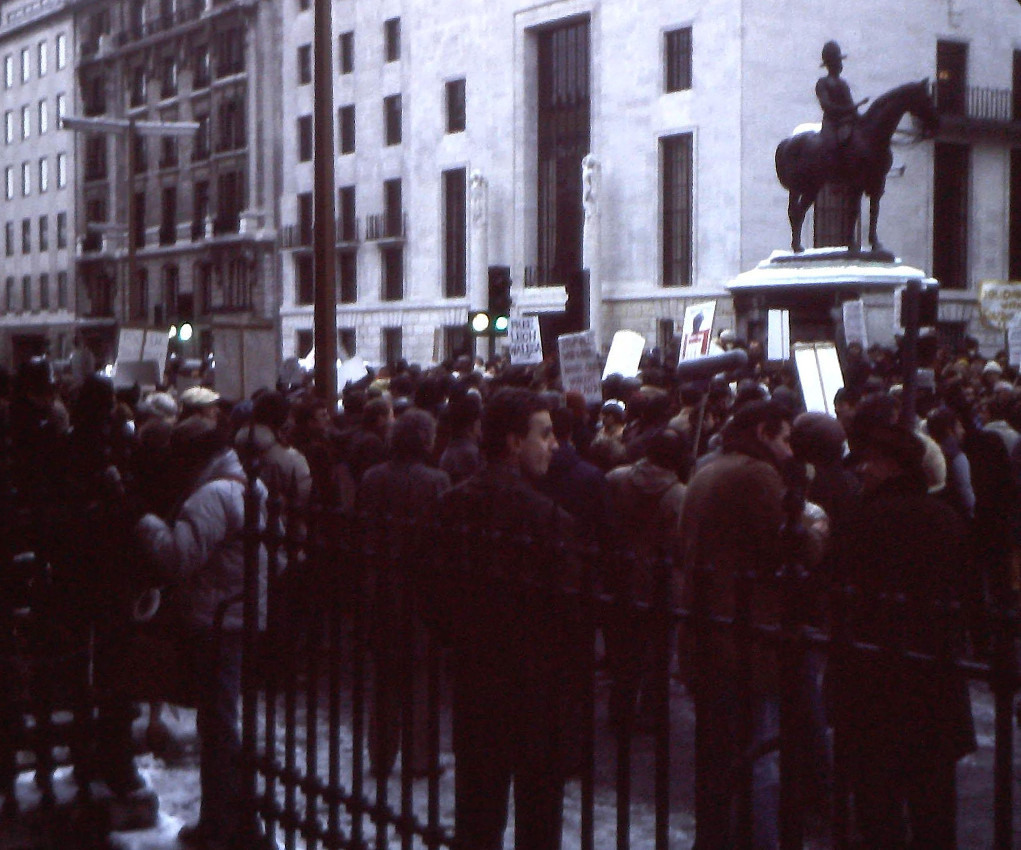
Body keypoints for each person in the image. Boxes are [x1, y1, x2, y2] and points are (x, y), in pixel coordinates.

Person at [425, 387, 581, 850]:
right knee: (538, 823)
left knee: (478, 817)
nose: (555, 444)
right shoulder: (550, 519)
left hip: (477, 684)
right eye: (545, 434)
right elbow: (569, 619)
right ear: (514, 442)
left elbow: (434, 603)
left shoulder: (449, 506)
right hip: (536, 691)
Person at [680, 399, 825, 850]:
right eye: (783, 438)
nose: (788, 450)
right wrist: (818, 531)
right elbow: (789, 548)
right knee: (759, 758)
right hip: (744, 641)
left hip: (706, 631)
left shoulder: (709, 467)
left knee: (719, 759)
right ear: (763, 431)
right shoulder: (755, 475)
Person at [828, 422, 975, 849]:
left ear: (893, 466)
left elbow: (838, 592)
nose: (862, 471)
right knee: (933, 807)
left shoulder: (861, 519)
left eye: (870, 462)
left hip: (872, 679)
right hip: (932, 677)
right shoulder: (944, 518)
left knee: (878, 806)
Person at [135, 416, 271, 850]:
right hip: (240, 614)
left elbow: (177, 557)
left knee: (219, 725)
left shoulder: (212, 495)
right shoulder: (248, 486)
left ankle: (223, 822)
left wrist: (147, 525)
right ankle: (238, 817)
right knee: (229, 722)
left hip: (217, 619)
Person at [356, 409, 450, 779]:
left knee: (384, 678)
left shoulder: (372, 477)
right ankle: (419, 757)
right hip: (419, 587)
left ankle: (380, 754)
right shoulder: (436, 481)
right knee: (420, 678)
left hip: (379, 584)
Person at [816, 40, 864, 152]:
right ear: (830, 64)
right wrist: (851, 108)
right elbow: (827, 106)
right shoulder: (823, 83)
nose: (840, 64)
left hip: (848, 122)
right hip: (832, 123)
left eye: (840, 61)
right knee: (831, 147)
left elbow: (850, 105)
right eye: (837, 61)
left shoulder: (843, 83)